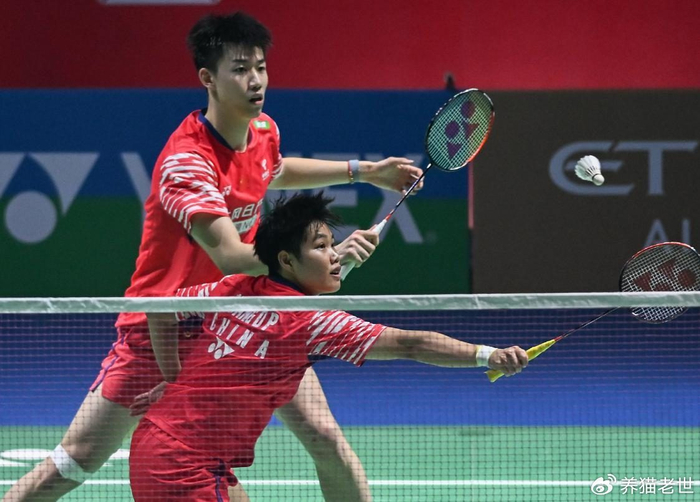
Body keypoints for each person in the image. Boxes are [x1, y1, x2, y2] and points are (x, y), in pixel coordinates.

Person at [3, 12, 423, 502]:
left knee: (324, 436)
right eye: (240, 69)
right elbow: (231, 256)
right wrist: (320, 259)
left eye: (260, 67)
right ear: (208, 78)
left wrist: (364, 171)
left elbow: (272, 169)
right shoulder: (188, 162)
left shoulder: (262, 130)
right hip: (163, 324)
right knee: (77, 459)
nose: (255, 80)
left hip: (240, 320)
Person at [128, 192, 528, 501]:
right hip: (183, 467)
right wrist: (487, 355)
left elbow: (161, 310)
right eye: (321, 247)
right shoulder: (313, 322)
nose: (335, 256)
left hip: (160, 444)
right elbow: (410, 344)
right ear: (286, 260)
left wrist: (175, 381)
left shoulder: (232, 290)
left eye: (332, 245)